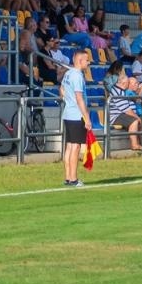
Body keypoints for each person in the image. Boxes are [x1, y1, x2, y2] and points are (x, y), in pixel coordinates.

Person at [60, 46, 91, 186]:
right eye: (87, 60)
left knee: (69, 146)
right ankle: (73, 178)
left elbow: (61, 89)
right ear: (80, 60)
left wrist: (67, 100)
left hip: (68, 113)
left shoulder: (68, 73)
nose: (88, 63)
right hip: (76, 115)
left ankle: (68, 177)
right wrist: (87, 118)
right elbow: (79, 98)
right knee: (76, 147)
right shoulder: (77, 75)